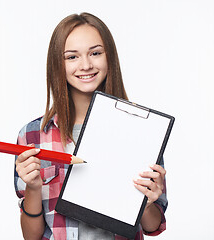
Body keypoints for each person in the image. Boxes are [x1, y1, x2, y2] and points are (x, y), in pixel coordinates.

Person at [14, 12, 167, 240]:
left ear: (109, 57)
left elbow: (152, 226)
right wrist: (33, 188)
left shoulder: (141, 131)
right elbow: (31, 236)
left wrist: (146, 203)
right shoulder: (32, 135)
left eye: (95, 53)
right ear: (57, 63)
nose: (85, 65)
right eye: (72, 57)